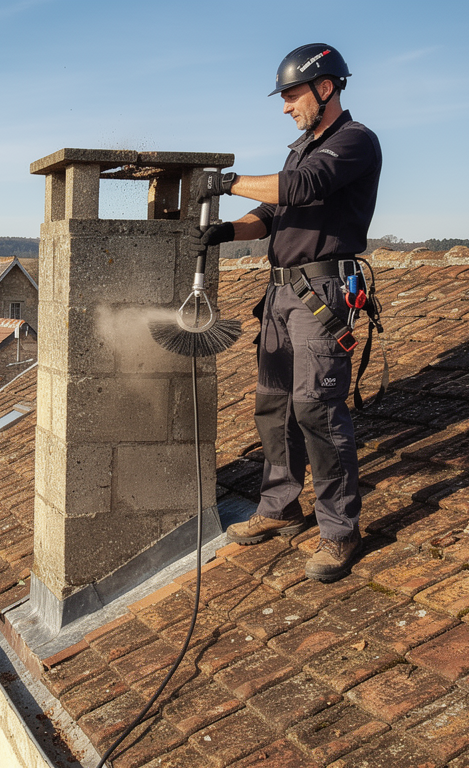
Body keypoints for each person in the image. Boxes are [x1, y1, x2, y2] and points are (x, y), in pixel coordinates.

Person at [192, 43, 382, 581]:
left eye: (291, 94)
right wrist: (227, 231)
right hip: (279, 295)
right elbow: (272, 212)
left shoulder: (353, 141)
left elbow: (303, 188)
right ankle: (279, 509)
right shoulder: (299, 148)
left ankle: (340, 532)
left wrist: (224, 183)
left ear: (326, 89)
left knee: (317, 410)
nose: (284, 106)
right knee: (273, 406)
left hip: (322, 297)